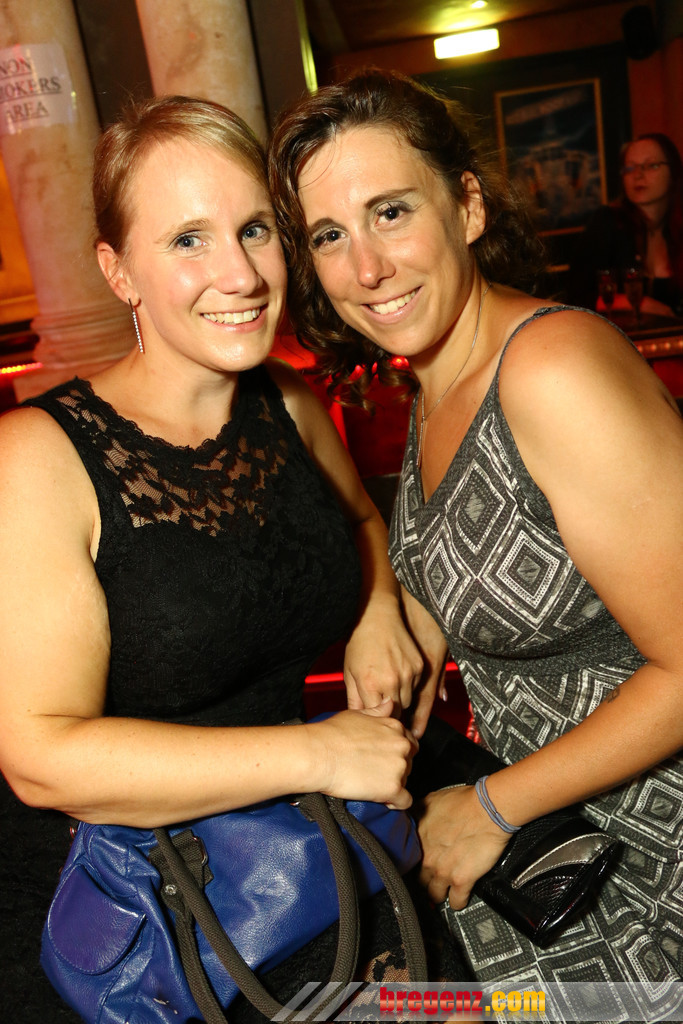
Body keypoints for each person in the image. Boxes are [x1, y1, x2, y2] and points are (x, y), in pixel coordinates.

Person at [0, 95, 466, 1023]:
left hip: (285, 849)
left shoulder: (284, 402)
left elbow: (358, 523)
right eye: (188, 239)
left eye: (254, 230)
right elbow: (41, 758)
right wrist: (316, 752)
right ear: (118, 272)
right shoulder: (37, 459)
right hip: (123, 907)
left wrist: (376, 610)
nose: (242, 275)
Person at [268, 68, 683, 997]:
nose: (365, 268)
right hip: (548, 847)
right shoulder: (431, 380)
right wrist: (389, 609)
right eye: (329, 235)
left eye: (389, 212)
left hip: (649, 862)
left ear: (467, 206)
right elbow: (479, 549)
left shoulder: (551, 368)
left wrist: (494, 806)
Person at [568, 132, 683, 316]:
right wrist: (637, 303)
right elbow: (575, 297)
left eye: (651, 165)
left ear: (674, 172)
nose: (638, 175)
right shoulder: (607, 223)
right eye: (629, 168)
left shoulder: (677, 228)